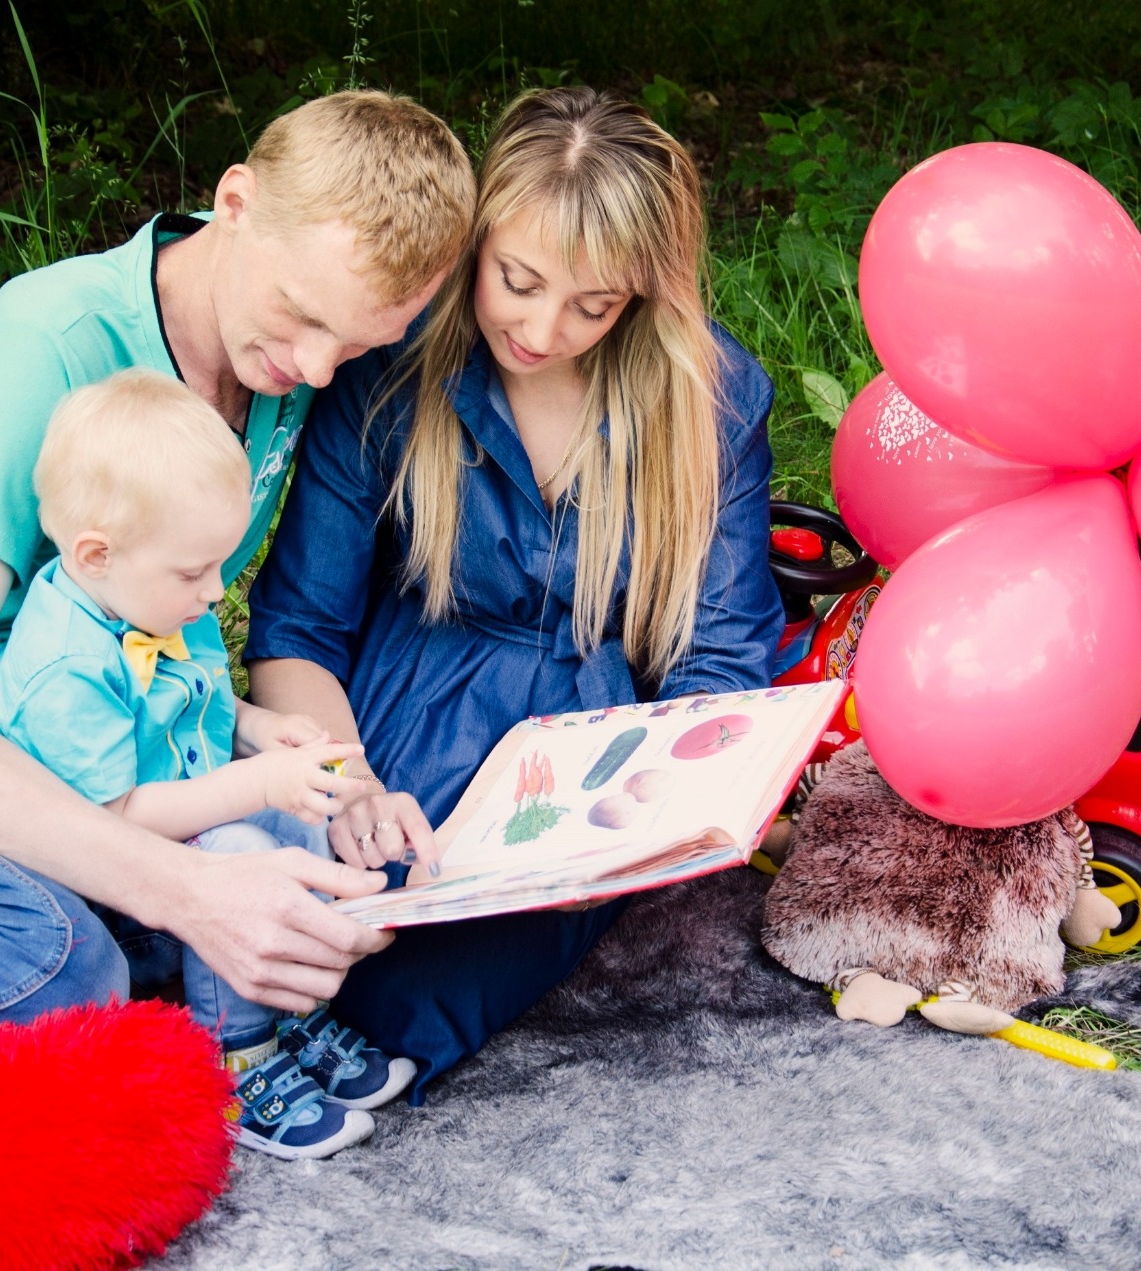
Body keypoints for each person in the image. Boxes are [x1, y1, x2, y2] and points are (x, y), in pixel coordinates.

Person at [0, 92, 473, 1038]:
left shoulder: (274, 364)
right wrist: (191, 891)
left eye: (359, 343)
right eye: (303, 318)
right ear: (235, 202)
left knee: (266, 900)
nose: (320, 369)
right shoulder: (49, 343)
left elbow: (123, 637)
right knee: (49, 966)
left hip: (30, 743)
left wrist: (306, 767)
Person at [244, 86, 785, 1100]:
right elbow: (297, 628)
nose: (545, 329)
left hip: (594, 742)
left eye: (596, 304)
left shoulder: (710, 396)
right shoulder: (390, 367)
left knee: (425, 970)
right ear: (478, 237)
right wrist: (346, 781)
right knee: (333, 906)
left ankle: (367, 1037)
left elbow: (725, 656)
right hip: (396, 706)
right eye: (519, 281)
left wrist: (654, 809)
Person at [0, 370, 416, 1158]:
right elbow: (114, 823)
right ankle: (235, 1053)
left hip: (179, 821)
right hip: (108, 891)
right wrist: (248, 786)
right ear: (96, 554)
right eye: (194, 572)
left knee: (295, 814)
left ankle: (290, 1008)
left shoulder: (157, 600)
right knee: (246, 849)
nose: (216, 592)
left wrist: (257, 729)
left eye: (220, 567)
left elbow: (197, 699)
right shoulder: (64, 671)